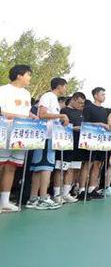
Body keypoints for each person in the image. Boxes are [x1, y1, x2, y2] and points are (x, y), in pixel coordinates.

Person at [25, 77, 69, 210]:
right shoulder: (48, 96)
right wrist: (61, 116)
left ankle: (33, 198)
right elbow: (42, 114)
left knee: (40, 167)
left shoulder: (53, 99)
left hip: (51, 136)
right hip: (45, 136)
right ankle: (43, 198)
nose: (65, 89)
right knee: (45, 167)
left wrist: (60, 120)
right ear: (59, 86)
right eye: (65, 86)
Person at [0, 65, 33, 213]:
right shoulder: (3, 90)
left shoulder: (26, 93)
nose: (30, 78)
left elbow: (26, 112)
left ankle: (5, 201)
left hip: (21, 134)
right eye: (28, 75)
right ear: (19, 75)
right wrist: (18, 116)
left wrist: (32, 116)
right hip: (5, 132)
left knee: (11, 166)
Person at [81, 87, 110, 199]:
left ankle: (92, 188)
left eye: (105, 94)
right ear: (95, 95)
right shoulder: (88, 108)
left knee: (98, 164)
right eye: (102, 94)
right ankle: (81, 189)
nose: (104, 96)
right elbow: (84, 124)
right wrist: (99, 124)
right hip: (90, 140)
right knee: (88, 164)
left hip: (101, 141)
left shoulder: (104, 110)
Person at [57, 92, 86, 201]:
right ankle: (57, 193)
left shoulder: (81, 113)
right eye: (79, 102)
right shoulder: (64, 111)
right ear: (73, 99)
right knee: (61, 168)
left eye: (82, 104)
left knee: (73, 168)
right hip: (66, 142)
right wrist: (74, 128)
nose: (80, 105)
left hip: (78, 143)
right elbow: (59, 126)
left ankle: (66, 192)